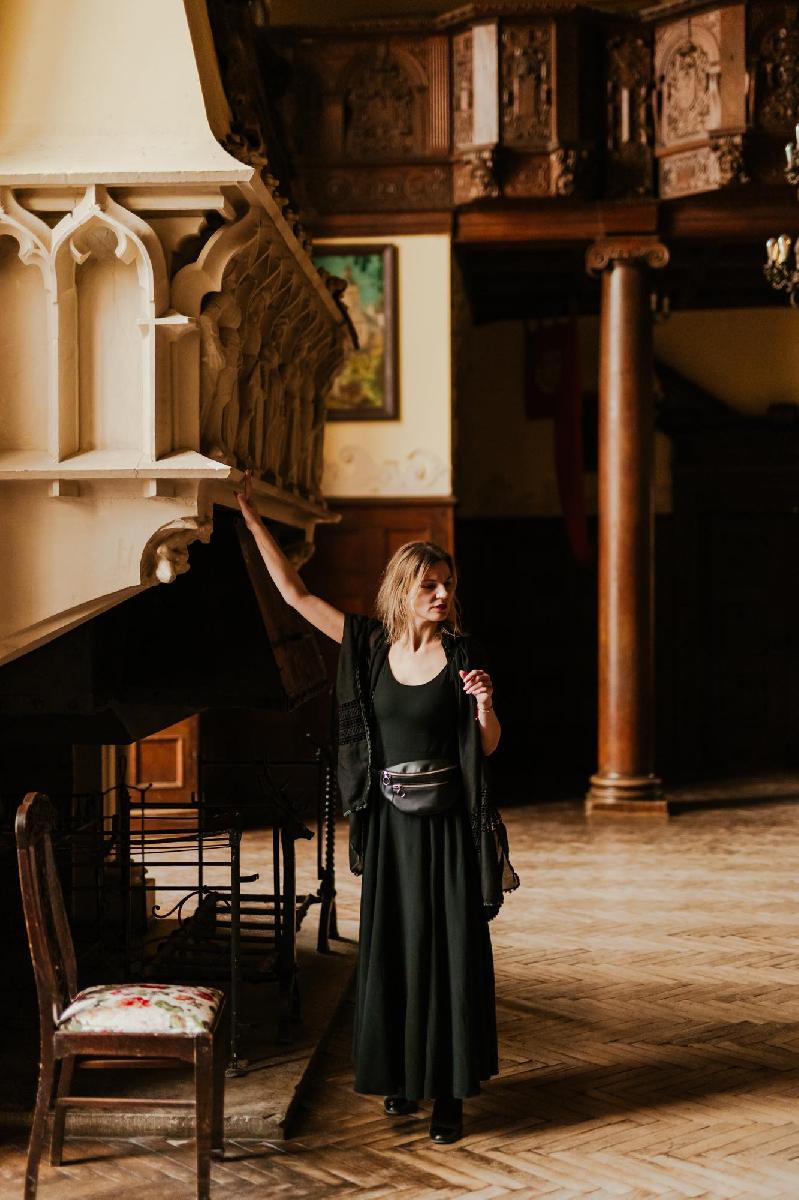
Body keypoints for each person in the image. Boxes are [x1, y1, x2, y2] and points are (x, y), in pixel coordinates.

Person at [237, 475, 518, 1143]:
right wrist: (250, 516)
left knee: (447, 952)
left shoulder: (462, 653)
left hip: (447, 827)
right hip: (390, 826)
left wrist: (484, 704)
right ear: (402, 588)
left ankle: (448, 1094)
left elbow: (486, 746)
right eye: (430, 584)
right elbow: (295, 594)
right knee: (395, 949)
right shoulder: (367, 645)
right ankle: (400, 1078)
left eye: (447, 584)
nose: (442, 594)